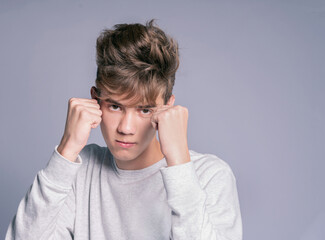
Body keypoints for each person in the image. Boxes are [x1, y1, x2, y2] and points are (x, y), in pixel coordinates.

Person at [6, 20, 243, 240]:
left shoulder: (210, 176)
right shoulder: (79, 170)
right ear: (95, 100)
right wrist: (66, 151)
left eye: (145, 110)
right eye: (115, 106)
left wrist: (180, 164)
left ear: (167, 109)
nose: (126, 128)